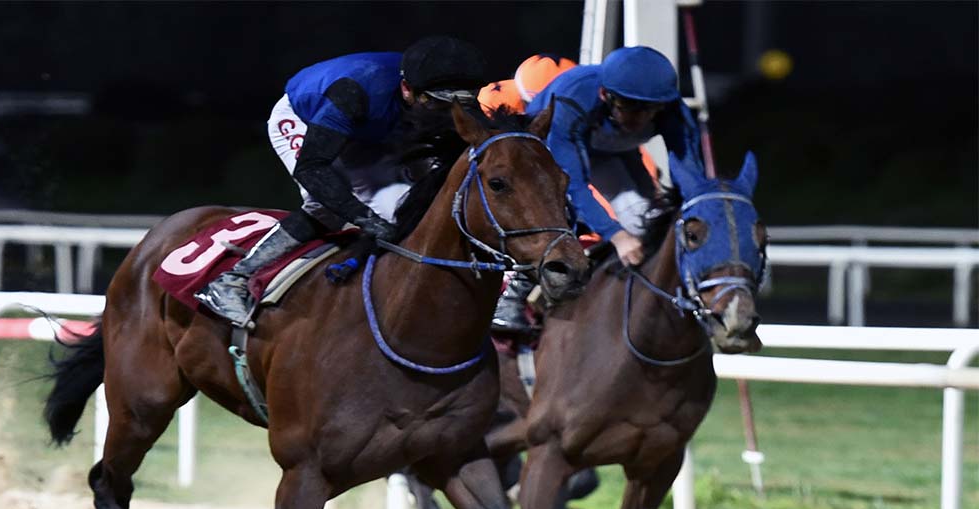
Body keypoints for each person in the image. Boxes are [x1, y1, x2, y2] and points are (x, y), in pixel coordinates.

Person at [196, 36, 487, 326]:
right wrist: (364, 218)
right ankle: (232, 280)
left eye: (459, 102)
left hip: (376, 128)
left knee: (412, 206)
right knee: (327, 208)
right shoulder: (356, 91)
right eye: (435, 103)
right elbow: (312, 169)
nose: (447, 113)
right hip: (307, 118)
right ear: (407, 89)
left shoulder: (440, 95)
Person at [492, 46, 704, 333]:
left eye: (650, 110)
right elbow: (573, 185)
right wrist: (615, 235)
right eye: (630, 107)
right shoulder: (571, 99)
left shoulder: (671, 109)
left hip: (611, 147)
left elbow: (688, 177)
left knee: (645, 221)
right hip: (548, 144)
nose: (641, 119)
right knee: (559, 214)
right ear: (606, 95)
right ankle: (513, 296)